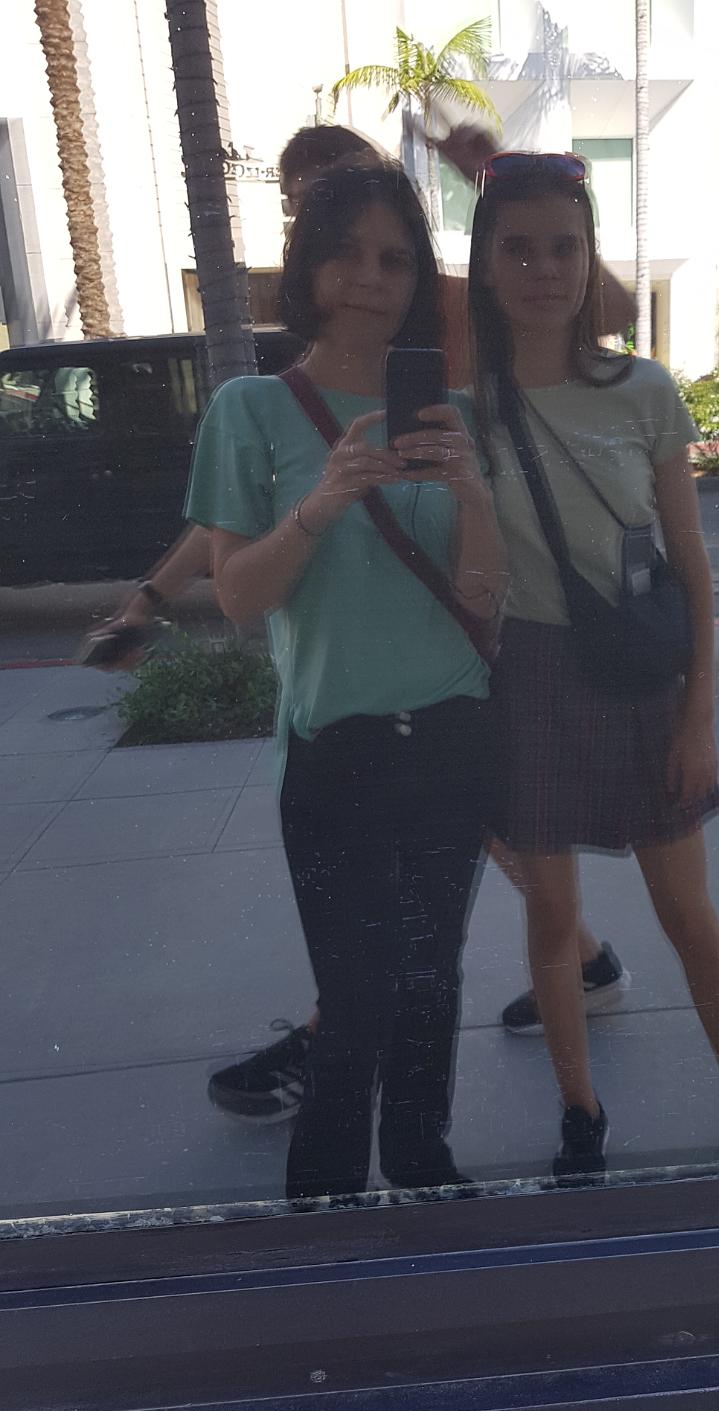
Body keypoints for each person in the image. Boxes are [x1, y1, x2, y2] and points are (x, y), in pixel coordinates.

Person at [83, 121, 633, 1126]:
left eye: (333, 194)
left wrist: (492, 183)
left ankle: (355, 1038)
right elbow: (246, 510)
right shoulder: (298, 372)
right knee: (441, 875)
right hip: (387, 658)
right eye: (304, 208)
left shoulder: (453, 299)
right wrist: (154, 596)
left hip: (485, 614)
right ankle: (568, 969)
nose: (351, 260)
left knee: (441, 880)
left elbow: (613, 309)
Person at [467, 151, 719, 1181]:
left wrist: (701, 716)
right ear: (484, 263)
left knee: (687, 913)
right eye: (518, 248)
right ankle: (581, 1112)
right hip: (527, 674)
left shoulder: (642, 390)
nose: (543, 269)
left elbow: (691, 561)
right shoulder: (463, 406)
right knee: (551, 915)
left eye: (563, 247)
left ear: (590, 258)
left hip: (642, 676)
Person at [184, 160, 507, 1198]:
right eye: (348, 254)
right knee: (359, 997)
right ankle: (322, 1203)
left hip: (453, 737)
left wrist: (476, 497)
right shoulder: (251, 409)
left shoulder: (451, 414)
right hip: (338, 752)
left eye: (395, 260)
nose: (371, 278)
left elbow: (485, 598)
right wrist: (320, 505)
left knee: (430, 981)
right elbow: (238, 598)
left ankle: (420, 1168)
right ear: (309, 267)